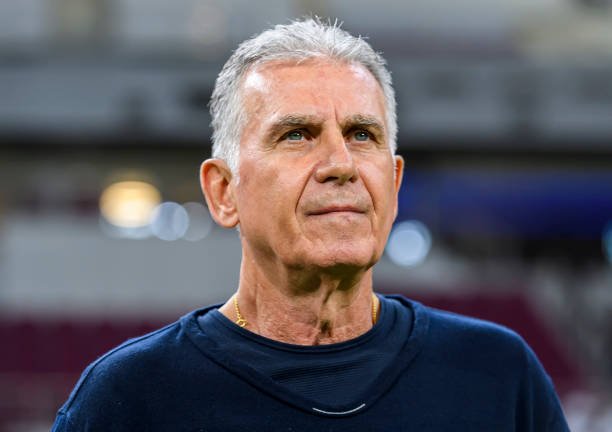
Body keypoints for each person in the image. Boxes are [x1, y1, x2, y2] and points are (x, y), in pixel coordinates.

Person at [52, 18, 569, 431]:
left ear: (393, 185)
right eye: (297, 135)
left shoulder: (498, 376)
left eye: (362, 134)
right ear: (223, 191)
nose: (341, 164)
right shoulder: (130, 398)